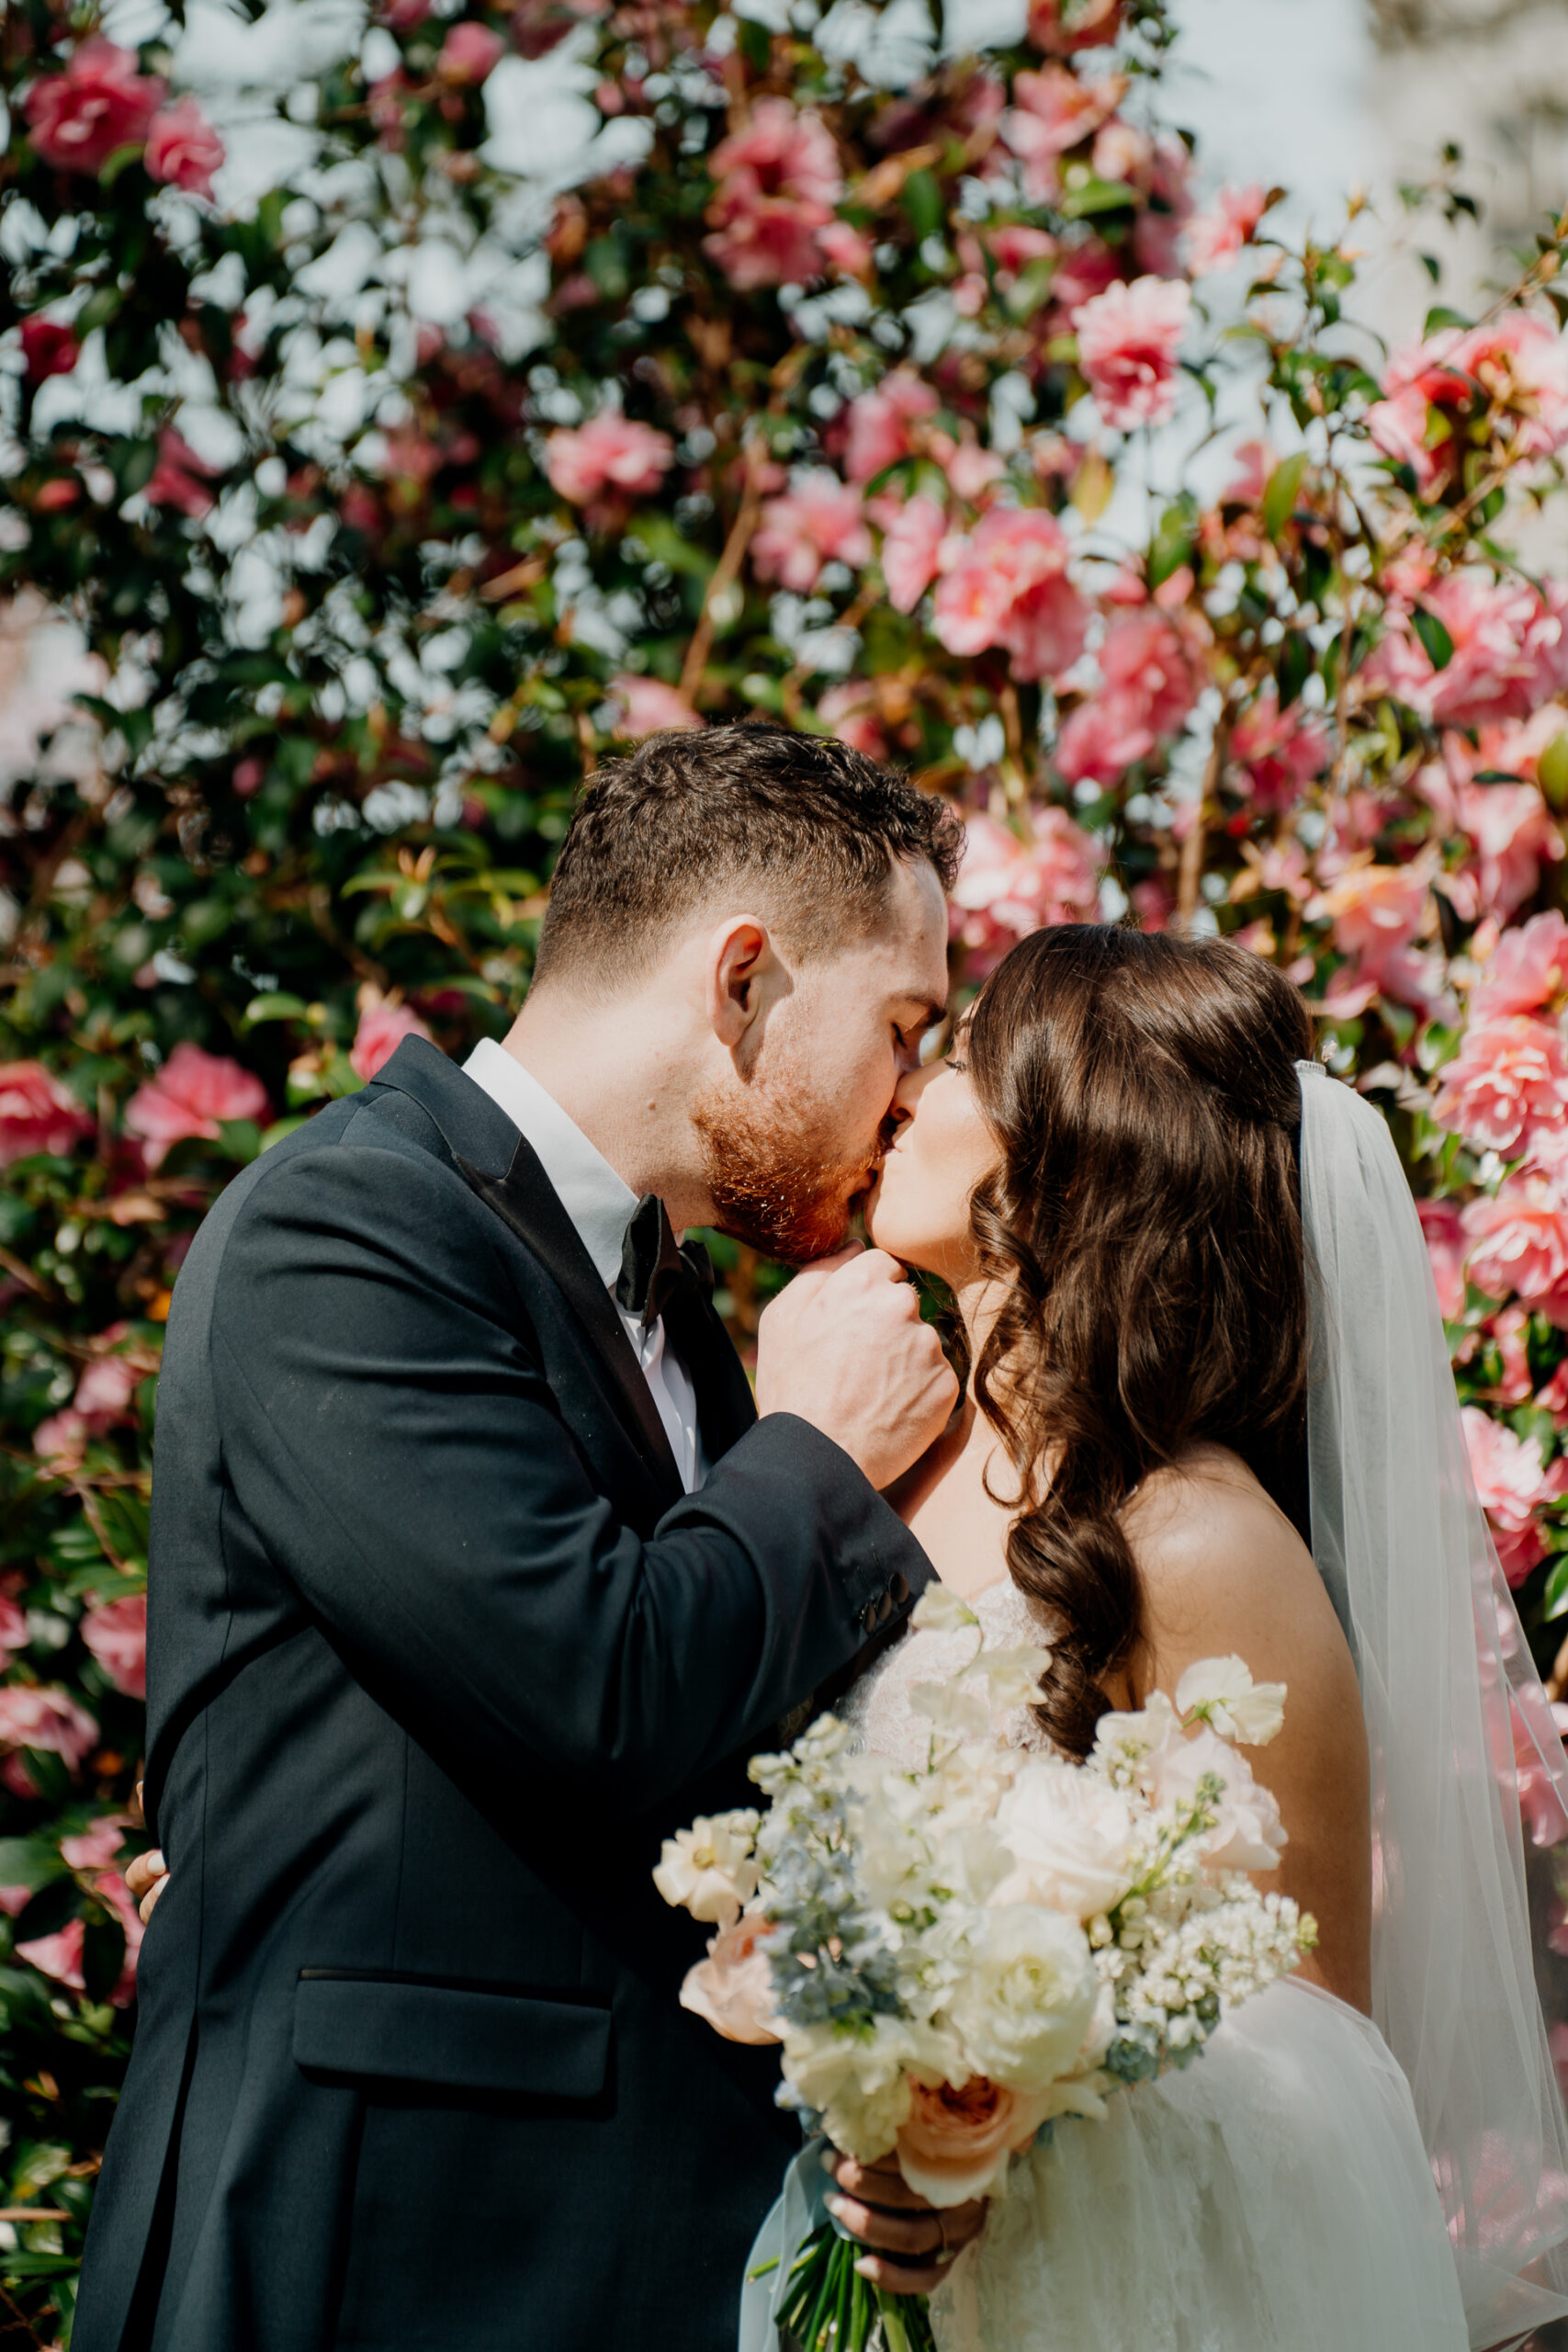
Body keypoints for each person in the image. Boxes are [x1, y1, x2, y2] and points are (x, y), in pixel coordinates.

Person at [72, 725, 981, 2352]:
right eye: (902, 1027)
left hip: (642, 2248)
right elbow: (599, 1682)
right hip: (373, 2252)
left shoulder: (688, 1309)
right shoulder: (342, 1224)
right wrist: (824, 1454)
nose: (908, 1093)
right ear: (746, 980)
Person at [741, 923, 1568, 2352]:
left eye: (953, 1059)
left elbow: (1314, 2078)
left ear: (1055, 1144)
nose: (903, 1094)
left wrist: (986, 2099)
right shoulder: (894, 1459)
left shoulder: (1195, 1540)